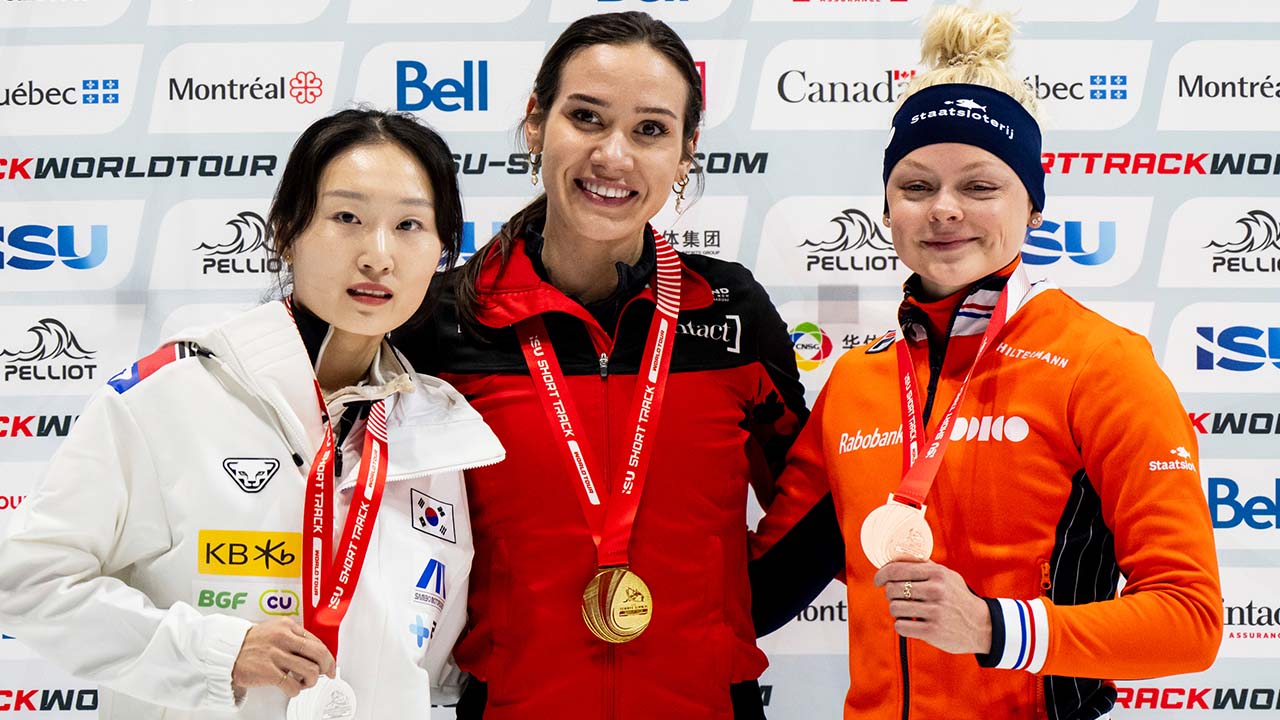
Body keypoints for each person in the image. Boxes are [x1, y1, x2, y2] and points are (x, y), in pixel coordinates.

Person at [748, 7, 1223, 719]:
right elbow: (762, 592)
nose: (943, 210)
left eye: (979, 186)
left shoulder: (1103, 364)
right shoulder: (858, 381)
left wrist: (996, 629)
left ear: (1033, 204)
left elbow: (1190, 623)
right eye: (915, 186)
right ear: (886, 208)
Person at [0, 108, 504, 720]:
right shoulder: (170, 399)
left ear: (442, 252)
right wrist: (215, 654)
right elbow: (28, 581)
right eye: (347, 218)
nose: (378, 255)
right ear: (286, 230)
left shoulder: (439, 434)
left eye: (409, 225)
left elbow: (428, 664)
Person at [395, 11, 807, 720]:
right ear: (535, 123)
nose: (614, 155)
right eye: (586, 117)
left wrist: (723, 619)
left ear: (684, 155)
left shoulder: (729, 310)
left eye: (651, 130)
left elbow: (814, 491)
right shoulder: (441, 321)